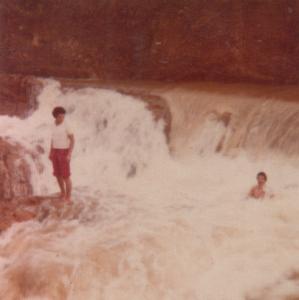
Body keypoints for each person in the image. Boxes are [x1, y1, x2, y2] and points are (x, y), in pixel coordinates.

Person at [49, 106, 74, 202]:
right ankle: (62, 193)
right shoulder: (53, 125)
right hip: (55, 151)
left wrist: (69, 154)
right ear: (55, 116)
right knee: (58, 174)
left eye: (63, 116)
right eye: (60, 116)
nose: (62, 118)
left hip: (64, 151)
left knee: (66, 176)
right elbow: (53, 139)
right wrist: (51, 152)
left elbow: (72, 140)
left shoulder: (67, 125)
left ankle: (68, 197)